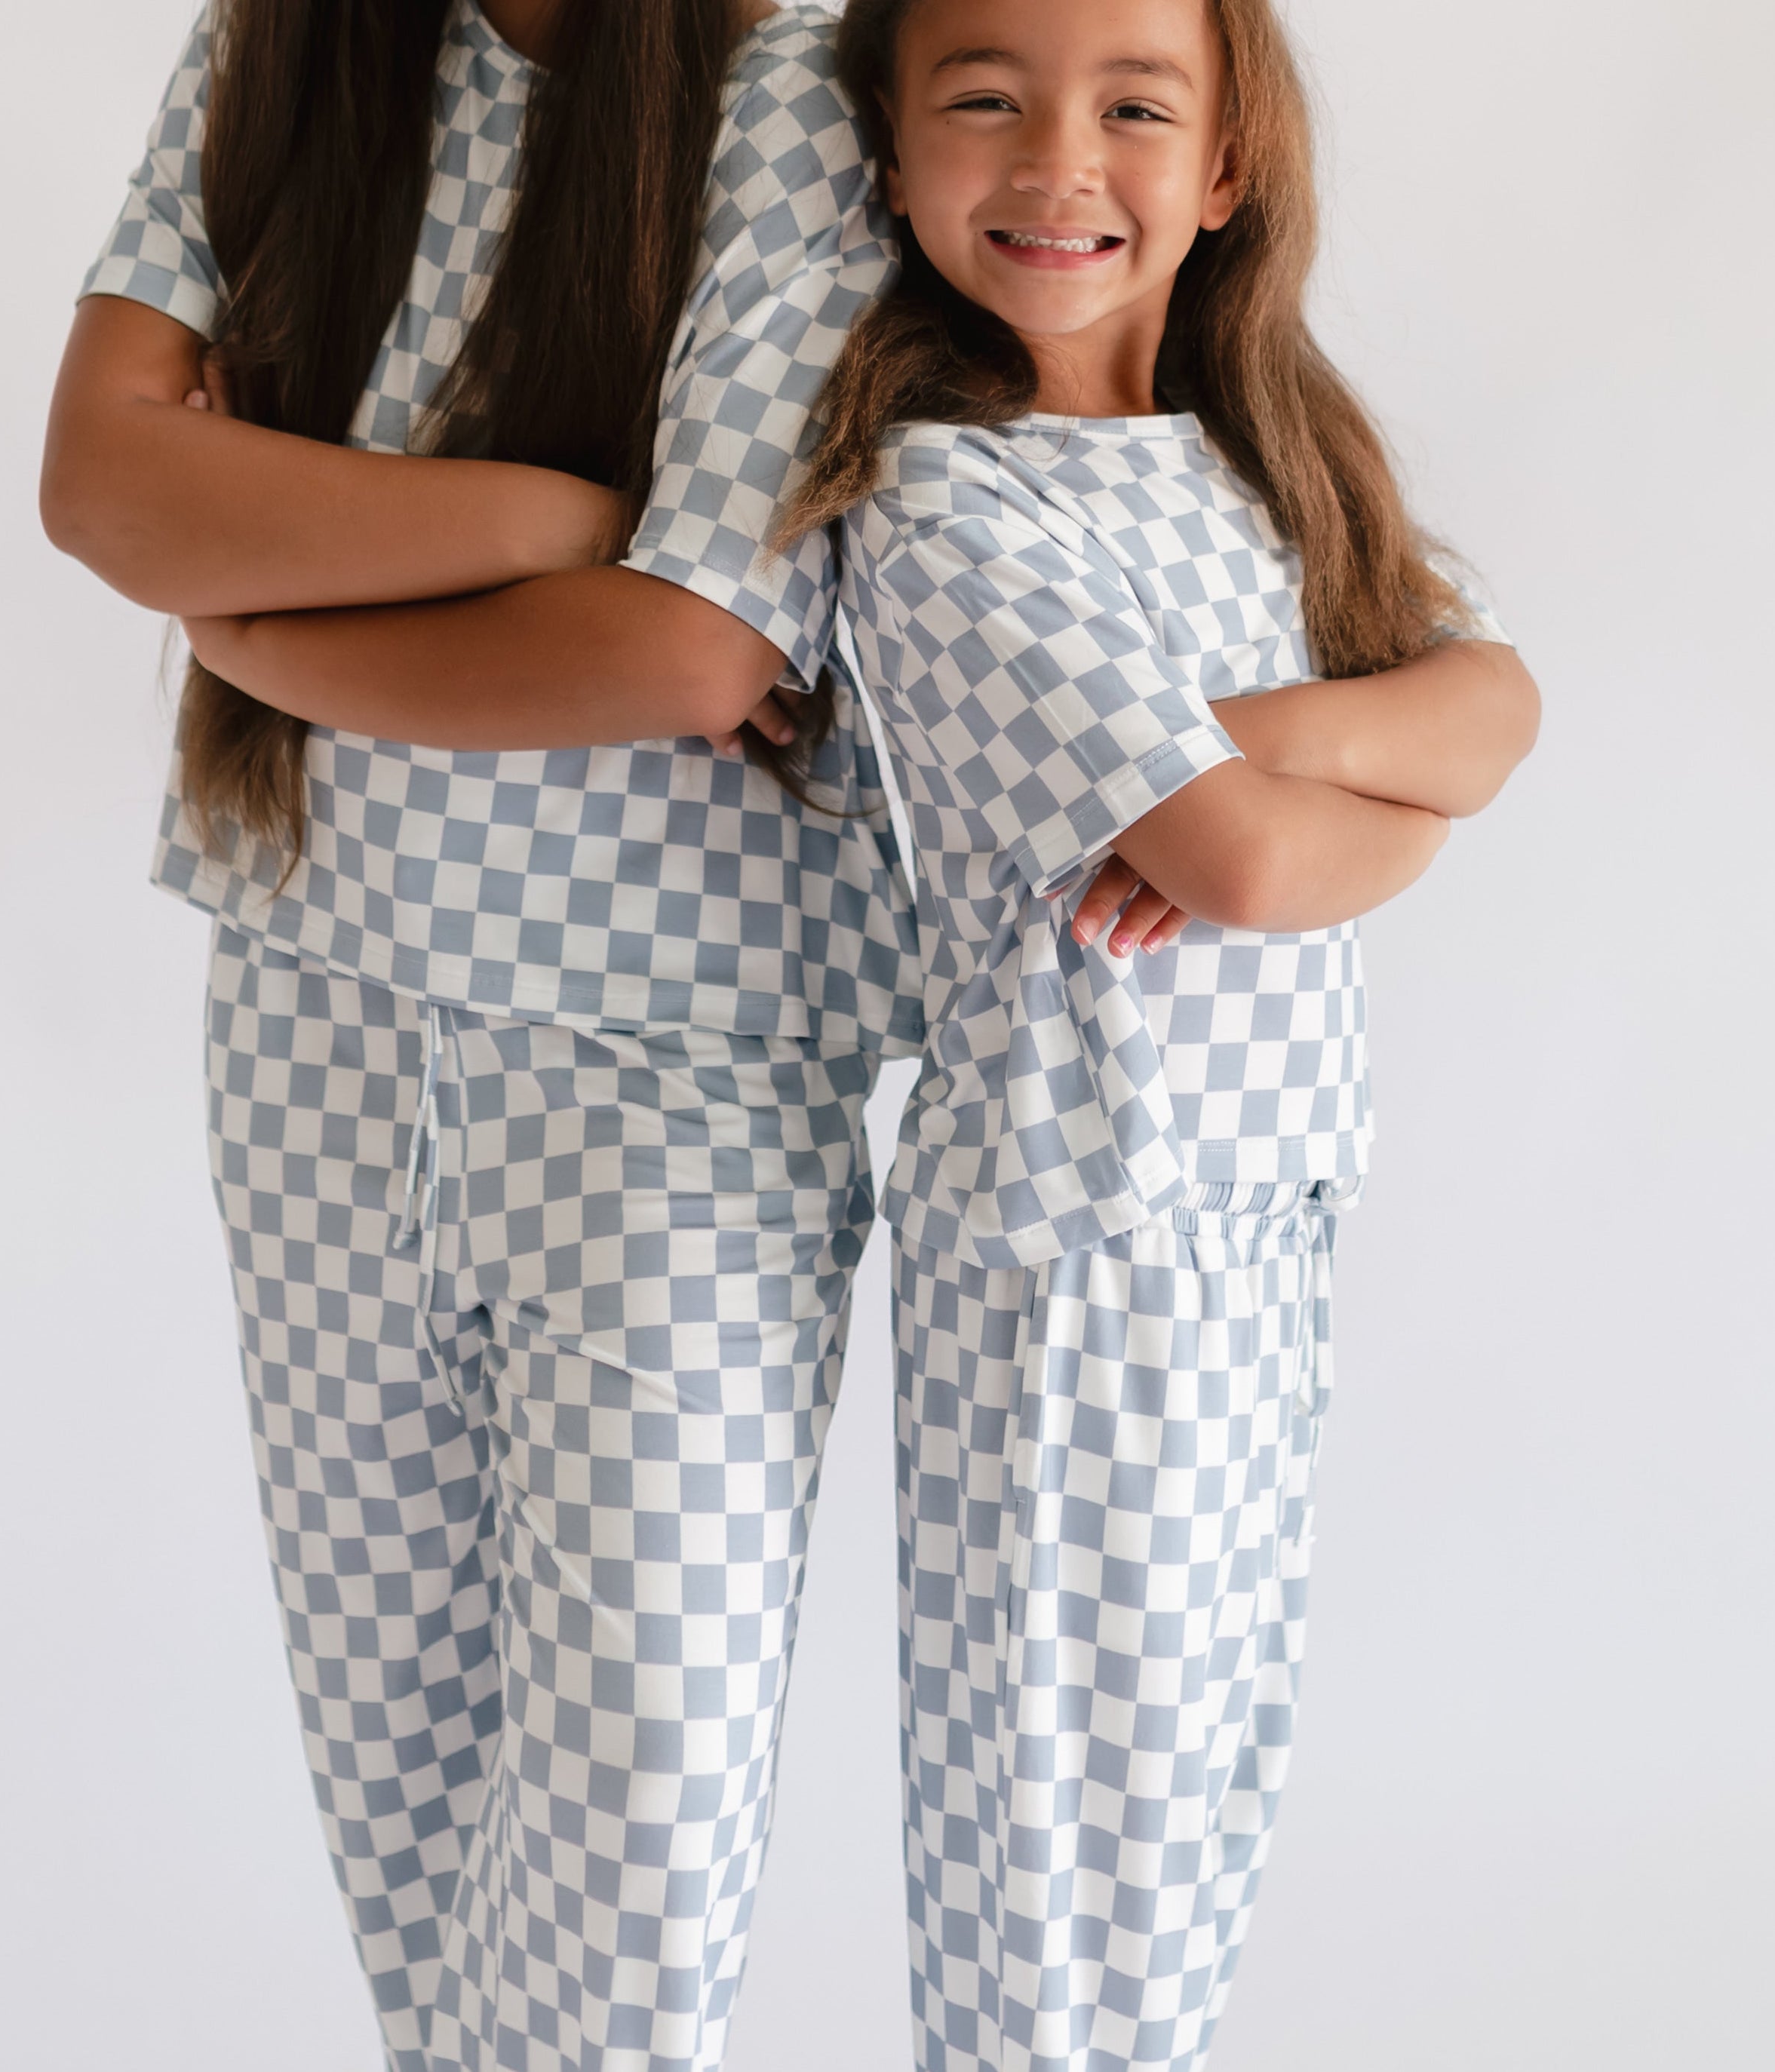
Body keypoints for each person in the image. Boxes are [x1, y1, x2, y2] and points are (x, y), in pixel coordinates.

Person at [38, 5, 921, 2067]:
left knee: (637, 1865)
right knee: (413, 1845)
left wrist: (268, 599)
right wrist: (552, 520)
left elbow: (696, 638)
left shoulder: (804, 72)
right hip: (317, 1012)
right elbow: (102, 482)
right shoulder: (287, 44)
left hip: (681, 1060)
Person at [760, 0, 1540, 2064]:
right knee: (1056, 1849)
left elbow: (1493, 711)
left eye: (1130, 106)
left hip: (1261, 1211)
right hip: (1074, 1240)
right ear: (892, 155)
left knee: (1194, 1815)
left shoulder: (1277, 462)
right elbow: (1254, 863)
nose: (1056, 162)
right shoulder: (942, 502)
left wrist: (1275, 752)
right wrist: (1371, 803)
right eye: (983, 100)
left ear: (1223, 171)